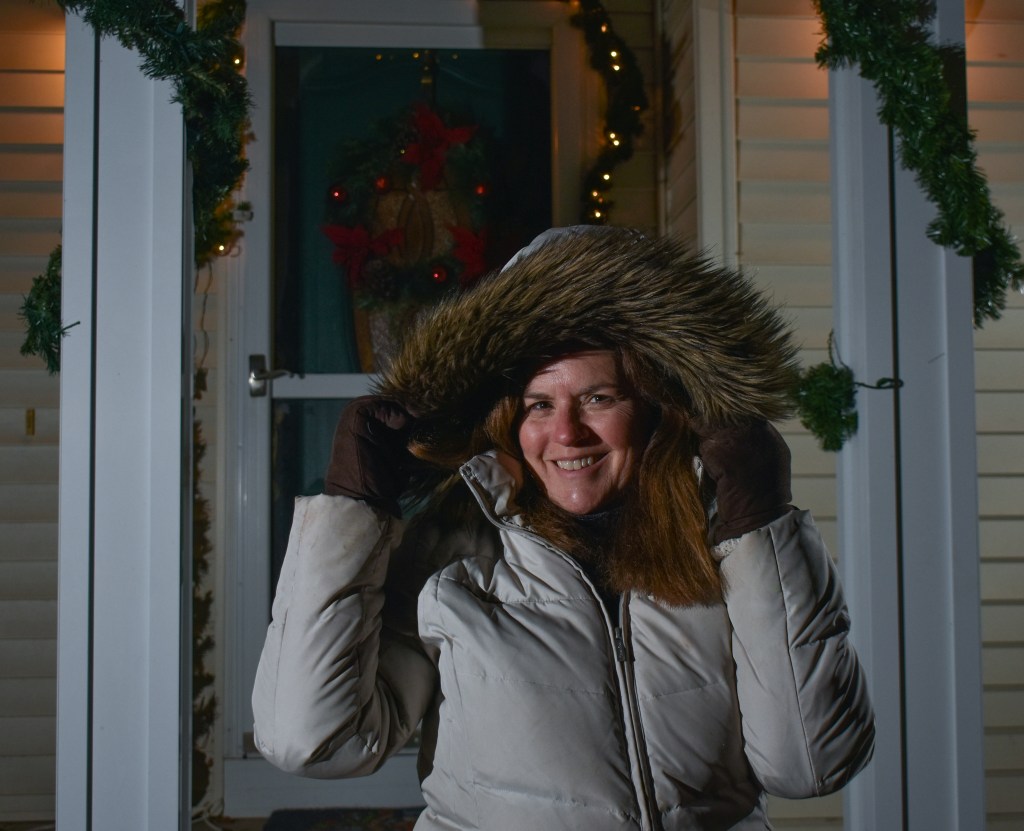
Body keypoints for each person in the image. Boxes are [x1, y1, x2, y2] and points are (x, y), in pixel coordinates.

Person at [252, 227, 875, 830]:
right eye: (539, 405)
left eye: (600, 398)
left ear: (655, 408)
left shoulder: (728, 551)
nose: (567, 433)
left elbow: (812, 765)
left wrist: (763, 522)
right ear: (508, 420)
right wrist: (350, 507)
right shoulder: (454, 562)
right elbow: (311, 741)